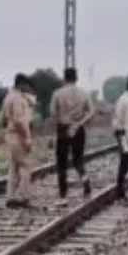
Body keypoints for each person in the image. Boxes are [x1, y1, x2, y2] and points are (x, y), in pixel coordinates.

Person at [50, 67, 95, 202]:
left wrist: (64, 121)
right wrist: (79, 123)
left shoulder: (57, 94)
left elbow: (53, 113)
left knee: (61, 162)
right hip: (79, 129)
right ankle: (86, 183)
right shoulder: (84, 93)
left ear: (64, 78)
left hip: (63, 129)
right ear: (76, 78)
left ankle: (63, 195)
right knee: (78, 160)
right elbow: (91, 111)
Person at [0, 73, 34, 208]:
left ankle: (10, 196)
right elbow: (20, 120)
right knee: (25, 166)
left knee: (14, 167)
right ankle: (22, 196)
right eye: (26, 85)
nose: (27, 87)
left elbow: (2, 119)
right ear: (21, 84)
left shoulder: (8, 97)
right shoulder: (19, 99)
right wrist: (27, 137)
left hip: (10, 134)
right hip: (19, 135)